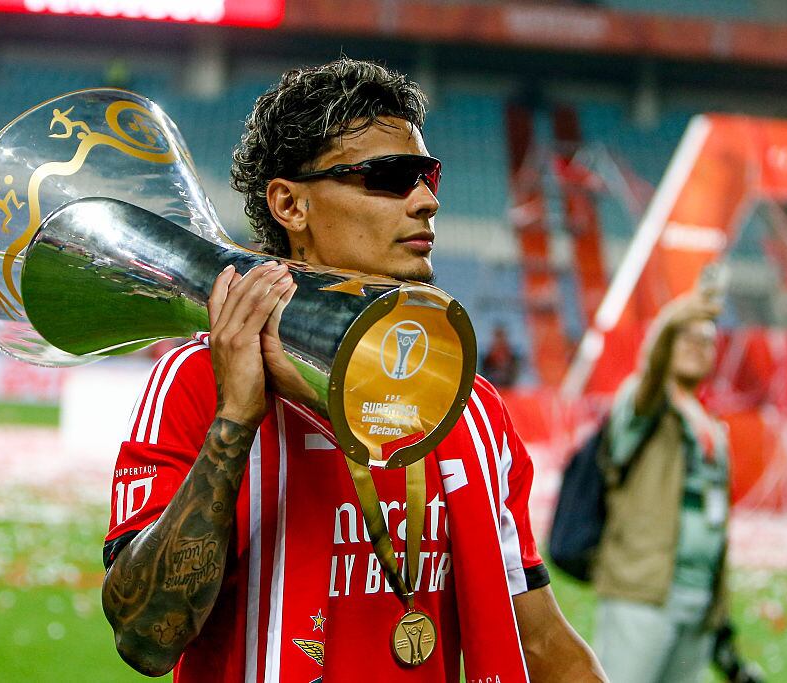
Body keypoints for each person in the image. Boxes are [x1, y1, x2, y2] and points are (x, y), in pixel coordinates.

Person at [100, 58, 605, 682]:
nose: (426, 200)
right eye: (391, 177)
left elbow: (539, 639)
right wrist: (234, 422)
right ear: (290, 204)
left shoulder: (470, 405)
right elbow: (147, 636)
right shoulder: (196, 380)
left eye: (429, 176)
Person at [590, 290, 730, 683]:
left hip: (697, 598)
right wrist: (671, 318)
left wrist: (719, 604)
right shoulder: (642, 402)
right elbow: (652, 371)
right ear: (666, 342)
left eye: (707, 341)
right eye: (686, 336)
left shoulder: (710, 422)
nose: (697, 347)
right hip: (643, 591)